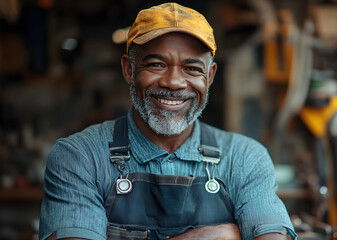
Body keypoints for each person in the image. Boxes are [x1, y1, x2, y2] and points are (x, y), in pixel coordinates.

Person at [39, 3, 296, 240]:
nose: (173, 82)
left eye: (192, 68)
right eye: (156, 64)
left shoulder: (244, 158)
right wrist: (215, 235)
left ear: (210, 76)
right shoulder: (80, 157)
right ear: (129, 69)